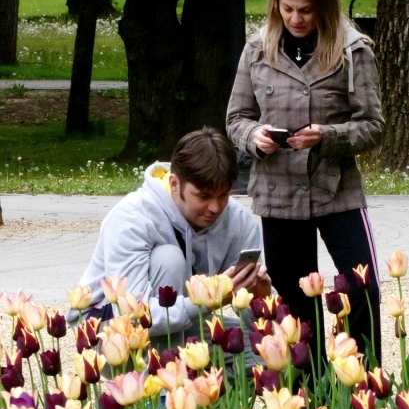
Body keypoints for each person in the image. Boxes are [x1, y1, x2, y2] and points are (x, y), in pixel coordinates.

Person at [226, 0, 384, 365]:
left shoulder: (353, 51)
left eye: (306, 10)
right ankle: (312, 395)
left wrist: (326, 136)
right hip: (278, 193)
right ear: (276, 5)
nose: (296, 19)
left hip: (337, 190)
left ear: (325, 7)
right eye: (288, 9)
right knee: (296, 303)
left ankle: (367, 385)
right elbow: (235, 119)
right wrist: (254, 136)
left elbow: (373, 125)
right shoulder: (257, 50)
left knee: (360, 291)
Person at [66, 128, 271, 353]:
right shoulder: (132, 218)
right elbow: (131, 315)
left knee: (274, 351)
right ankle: (164, 382)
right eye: (204, 196)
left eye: (223, 195)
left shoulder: (238, 220)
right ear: (174, 183)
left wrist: (260, 299)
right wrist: (211, 298)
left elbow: (255, 318)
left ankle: (191, 376)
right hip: (109, 329)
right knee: (169, 259)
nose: (215, 208)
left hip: (187, 321)